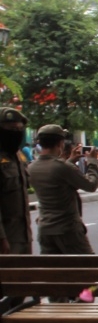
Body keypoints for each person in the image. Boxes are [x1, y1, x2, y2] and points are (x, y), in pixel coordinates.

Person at [28, 124, 98, 255]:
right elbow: (91, 185)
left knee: (54, 271)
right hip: (67, 230)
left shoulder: (32, 167)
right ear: (60, 143)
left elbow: (56, 178)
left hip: (45, 229)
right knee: (88, 268)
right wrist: (93, 163)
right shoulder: (63, 167)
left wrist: (70, 161)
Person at [0, 107, 32, 255]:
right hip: (5, 239)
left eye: (20, 129)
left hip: (23, 236)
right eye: (12, 129)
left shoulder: (17, 157)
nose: (16, 133)